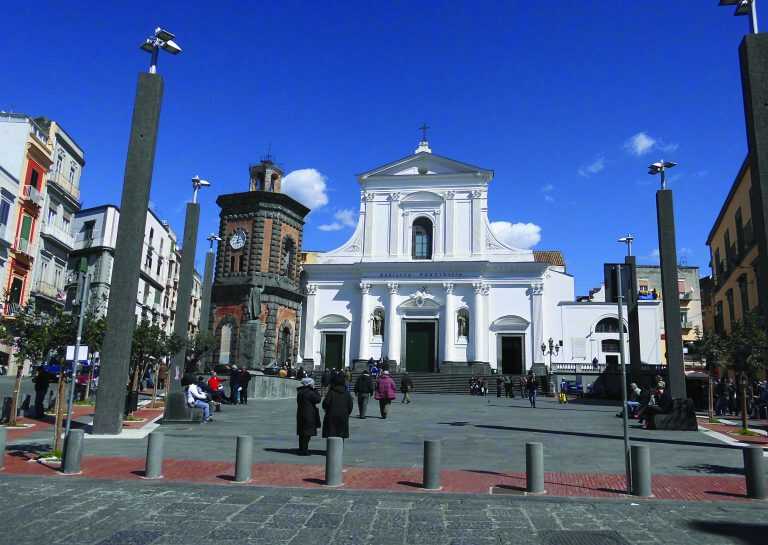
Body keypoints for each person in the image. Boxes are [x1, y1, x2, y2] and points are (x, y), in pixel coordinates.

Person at [322, 373, 353, 439]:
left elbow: (325, 404)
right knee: (341, 434)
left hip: (331, 415)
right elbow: (350, 405)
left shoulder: (331, 392)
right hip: (343, 415)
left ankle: (332, 448)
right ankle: (340, 448)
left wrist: (327, 410)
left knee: (331, 433)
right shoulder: (347, 393)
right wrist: (347, 413)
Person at [296, 377, 321, 455]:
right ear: (309, 384)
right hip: (309, 414)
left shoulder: (300, 391)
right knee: (307, 434)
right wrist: (315, 390)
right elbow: (318, 399)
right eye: (313, 384)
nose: (314, 385)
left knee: (302, 433)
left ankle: (301, 448)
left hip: (301, 414)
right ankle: (304, 450)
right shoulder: (310, 392)